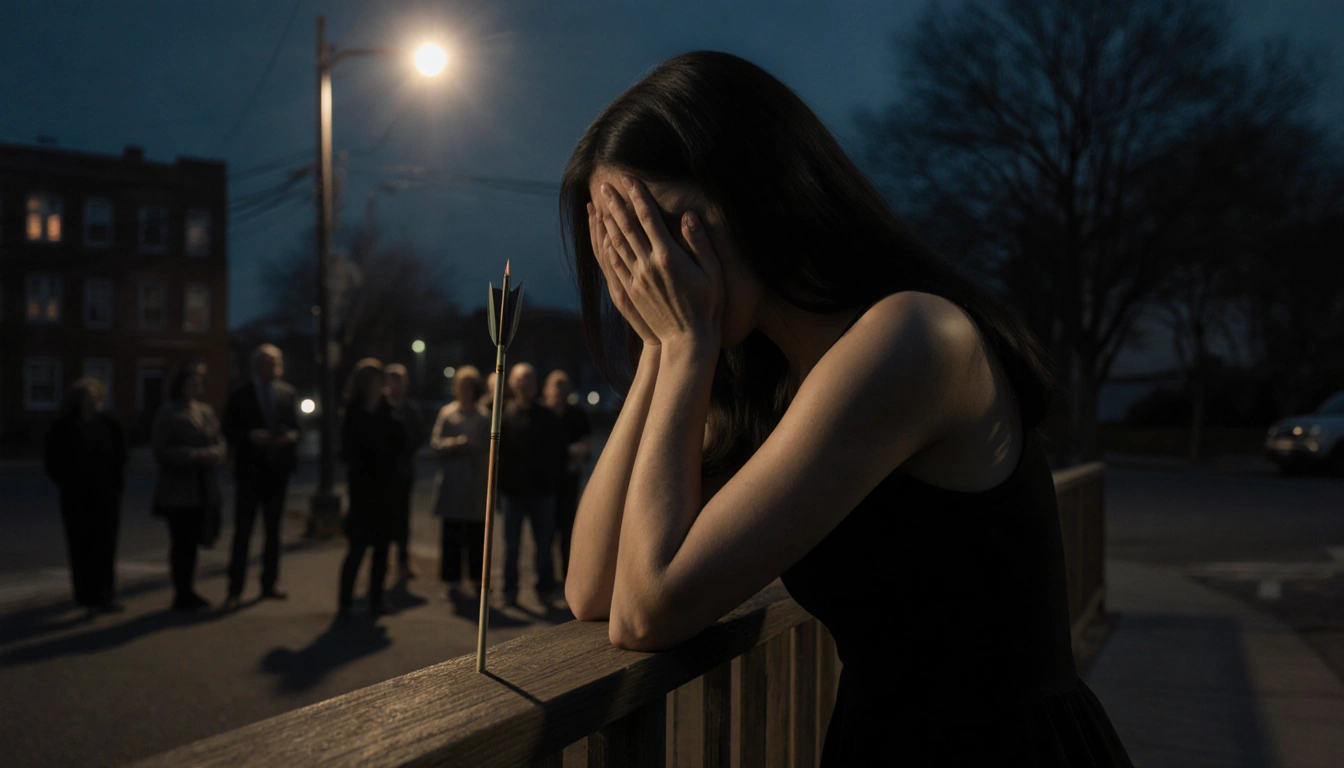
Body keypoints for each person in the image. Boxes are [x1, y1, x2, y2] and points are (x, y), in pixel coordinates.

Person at [559, 52, 1133, 765]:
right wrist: (657, 342)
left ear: (751, 192)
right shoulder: (766, 375)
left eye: (658, 231)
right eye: (624, 250)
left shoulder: (912, 338)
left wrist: (681, 346)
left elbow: (648, 611)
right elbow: (593, 589)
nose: (652, 269)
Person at [222, 344, 300, 608]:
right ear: (257, 365)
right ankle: (235, 588)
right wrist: (249, 436)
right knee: (243, 531)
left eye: (276, 362)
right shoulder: (241, 394)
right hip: (250, 471)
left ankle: (269, 582)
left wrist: (288, 437)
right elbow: (228, 429)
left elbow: (296, 427)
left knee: (273, 531)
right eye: (267, 362)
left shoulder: (286, 393)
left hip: (277, 471)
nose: (273, 367)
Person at [44, 377, 127, 615]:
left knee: (106, 546)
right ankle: (84, 594)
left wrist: (115, 484)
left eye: (97, 396)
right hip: (77, 497)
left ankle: (105, 595)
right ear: (78, 399)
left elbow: (121, 456)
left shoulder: (109, 424)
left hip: (106, 495)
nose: (94, 400)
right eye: (89, 396)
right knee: (81, 545)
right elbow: (53, 462)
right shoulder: (63, 426)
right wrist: (68, 483)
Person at [150, 361, 227, 612]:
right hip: (178, 490)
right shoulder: (168, 413)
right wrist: (192, 455)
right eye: (190, 383)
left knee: (194, 541)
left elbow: (218, 440)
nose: (195, 387)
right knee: (181, 542)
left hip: (202, 488)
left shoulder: (204, 411)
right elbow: (161, 449)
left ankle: (189, 590)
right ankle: (181, 592)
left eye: (197, 383)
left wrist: (215, 453)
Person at [338, 359, 406, 619]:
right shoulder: (353, 412)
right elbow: (348, 450)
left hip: (385, 488)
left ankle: (376, 600)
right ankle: (345, 601)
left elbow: (401, 443)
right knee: (357, 547)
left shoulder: (388, 410)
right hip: (362, 489)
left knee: (381, 548)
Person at [498, 362, 568, 609]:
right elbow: (500, 455)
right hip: (513, 493)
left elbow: (560, 453)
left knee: (543, 546)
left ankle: (545, 590)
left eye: (529, 379)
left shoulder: (547, 416)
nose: (524, 384)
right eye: (520, 379)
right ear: (512, 384)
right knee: (511, 546)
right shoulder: (504, 414)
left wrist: (551, 481)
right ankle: (509, 591)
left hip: (542, 493)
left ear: (535, 384)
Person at [429, 365, 490, 604]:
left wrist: (474, 448)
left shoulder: (483, 416)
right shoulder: (447, 413)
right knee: (451, 536)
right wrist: (454, 443)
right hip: (453, 482)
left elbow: (489, 447)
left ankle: (477, 581)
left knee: (475, 537)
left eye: (469, 386)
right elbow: (435, 442)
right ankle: (451, 581)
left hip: (474, 482)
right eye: (461, 386)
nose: (465, 391)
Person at [542, 369, 591, 579]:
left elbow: (586, 446)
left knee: (568, 534)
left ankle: (568, 578)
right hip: (544, 484)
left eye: (563, 386)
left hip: (569, 482)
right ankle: (546, 581)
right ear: (547, 389)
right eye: (555, 385)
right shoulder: (542, 414)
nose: (560, 391)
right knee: (545, 534)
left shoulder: (577, 413)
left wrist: (575, 451)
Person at [383, 363, 428, 582]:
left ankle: (402, 561)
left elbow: (420, 434)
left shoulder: (410, 409)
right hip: (384, 472)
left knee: (403, 518)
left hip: (403, 469)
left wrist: (406, 449)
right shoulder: (382, 407)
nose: (396, 384)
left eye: (399, 379)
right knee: (384, 519)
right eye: (392, 379)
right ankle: (383, 562)